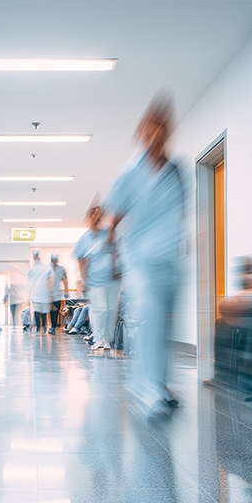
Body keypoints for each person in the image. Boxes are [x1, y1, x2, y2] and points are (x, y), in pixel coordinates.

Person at [104, 91, 188, 416]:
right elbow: (114, 219)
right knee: (151, 319)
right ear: (142, 132)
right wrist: (114, 259)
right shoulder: (130, 172)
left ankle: (158, 384)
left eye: (163, 127)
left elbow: (181, 213)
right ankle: (147, 389)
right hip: (141, 260)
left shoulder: (177, 171)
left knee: (166, 325)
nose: (156, 134)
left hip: (170, 260)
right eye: (150, 128)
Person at [74, 205, 120, 350]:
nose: (97, 217)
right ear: (89, 218)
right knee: (100, 309)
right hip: (94, 281)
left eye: (100, 215)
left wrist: (115, 270)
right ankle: (98, 339)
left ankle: (108, 340)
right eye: (94, 215)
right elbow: (81, 260)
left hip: (112, 280)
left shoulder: (108, 234)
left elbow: (115, 252)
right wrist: (84, 279)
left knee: (111, 310)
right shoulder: (85, 239)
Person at [27, 249, 53, 333]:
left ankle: (39, 327)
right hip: (43, 293)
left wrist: (29, 295)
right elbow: (50, 280)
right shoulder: (46, 268)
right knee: (43, 311)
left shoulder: (32, 269)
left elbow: (29, 284)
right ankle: (43, 327)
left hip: (38, 293)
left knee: (38, 310)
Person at [48, 252, 69, 334]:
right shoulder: (47, 268)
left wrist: (66, 291)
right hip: (49, 293)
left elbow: (65, 280)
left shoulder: (61, 269)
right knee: (50, 311)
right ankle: (52, 326)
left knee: (56, 310)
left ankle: (53, 327)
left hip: (57, 293)